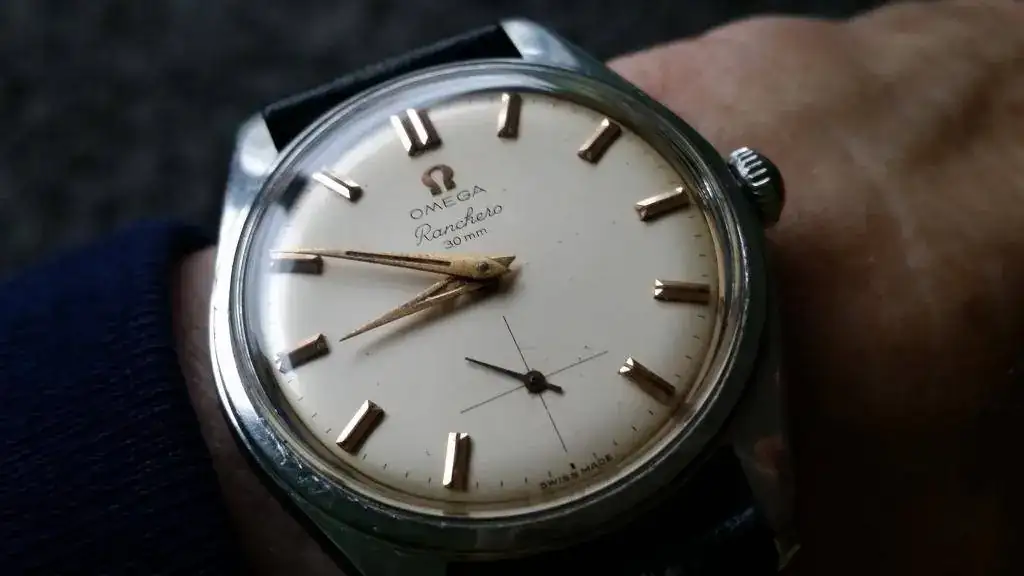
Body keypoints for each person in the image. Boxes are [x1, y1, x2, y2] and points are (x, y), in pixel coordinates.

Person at [1, 0, 1021, 574]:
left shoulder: (520, 68)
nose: (486, 272)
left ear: (744, 186)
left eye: (485, 269)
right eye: (476, 273)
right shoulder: (274, 175)